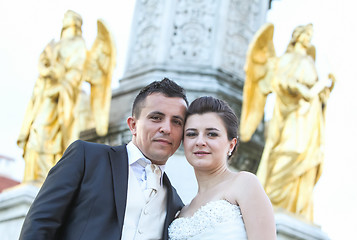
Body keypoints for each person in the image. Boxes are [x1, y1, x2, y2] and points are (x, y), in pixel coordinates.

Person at [19, 78, 188, 240]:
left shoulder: (175, 203)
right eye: (156, 118)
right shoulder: (86, 157)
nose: (166, 128)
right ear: (133, 125)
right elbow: (40, 224)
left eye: (177, 122)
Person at [240, 23, 335, 221]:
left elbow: (315, 92)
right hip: (292, 116)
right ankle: (273, 200)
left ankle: (296, 209)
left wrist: (326, 88)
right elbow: (282, 82)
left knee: (309, 160)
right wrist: (309, 90)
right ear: (296, 36)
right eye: (306, 33)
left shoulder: (309, 61)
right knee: (291, 152)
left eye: (311, 34)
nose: (308, 37)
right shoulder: (286, 59)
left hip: (309, 117)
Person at [17, 10, 115, 184]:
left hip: (63, 98)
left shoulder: (78, 45)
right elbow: (44, 64)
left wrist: (60, 82)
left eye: (68, 18)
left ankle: (49, 177)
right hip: (45, 97)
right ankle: (35, 177)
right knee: (35, 132)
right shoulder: (53, 44)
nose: (65, 20)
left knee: (48, 135)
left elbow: (75, 74)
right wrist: (46, 72)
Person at [168, 96, 276, 240]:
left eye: (212, 134)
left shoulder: (244, 183)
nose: (200, 141)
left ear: (231, 145)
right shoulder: (180, 211)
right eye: (191, 134)